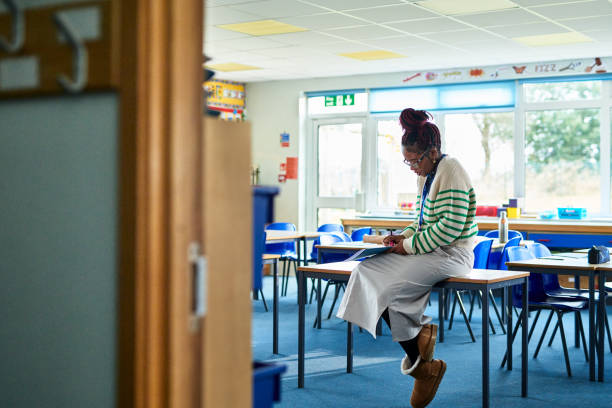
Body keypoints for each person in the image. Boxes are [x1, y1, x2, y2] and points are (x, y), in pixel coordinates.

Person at [336, 108, 478, 408]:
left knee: (389, 290)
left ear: (433, 152)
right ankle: (422, 355)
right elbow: (423, 222)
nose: (412, 166)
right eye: (407, 161)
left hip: (453, 253)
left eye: (415, 160)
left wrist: (410, 246)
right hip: (431, 248)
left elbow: (450, 228)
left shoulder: (451, 169)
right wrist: (403, 236)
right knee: (366, 270)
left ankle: (422, 364)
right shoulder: (428, 174)